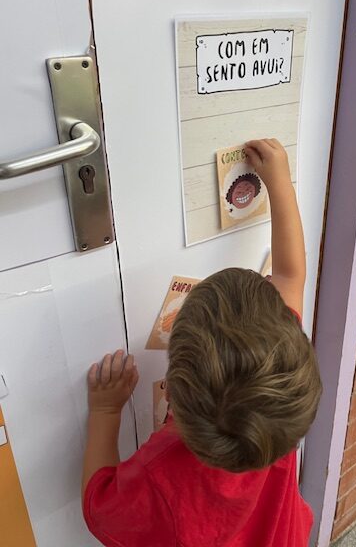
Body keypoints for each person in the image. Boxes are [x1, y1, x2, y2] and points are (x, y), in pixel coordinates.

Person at [82, 138, 322, 547]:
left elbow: (98, 506)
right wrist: (280, 182)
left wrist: (105, 410)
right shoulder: (277, 399)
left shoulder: (160, 474)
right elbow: (290, 275)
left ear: (170, 393)